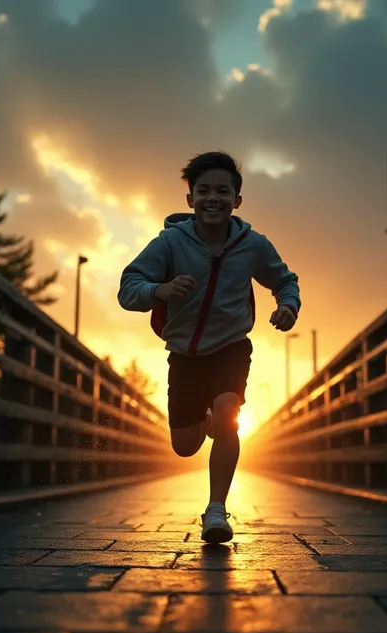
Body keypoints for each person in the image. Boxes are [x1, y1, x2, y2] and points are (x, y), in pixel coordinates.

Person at [118, 151, 300, 544]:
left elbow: (285, 280)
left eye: (222, 190)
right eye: (203, 191)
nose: (212, 198)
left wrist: (288, 305)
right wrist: (159, 290)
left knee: (227, 409)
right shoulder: (169, 243)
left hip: (230, 348)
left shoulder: (253, 245)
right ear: (190, 200)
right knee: (185, 447)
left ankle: (216, 508)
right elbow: (128, 288)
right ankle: (203, 417)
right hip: (184, 355)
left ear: (237, 200)